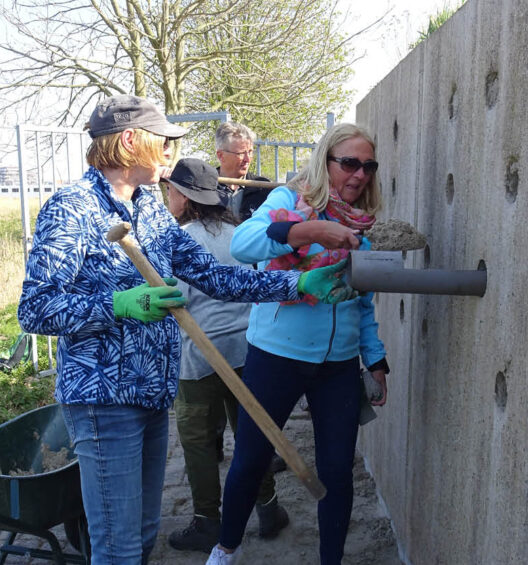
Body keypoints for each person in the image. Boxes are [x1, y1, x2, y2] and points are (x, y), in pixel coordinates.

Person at [17, 94, 358, 564]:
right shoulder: (71, 209)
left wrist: (297, 283)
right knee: (116, 547)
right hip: (103, 399)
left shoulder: (150, 210)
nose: (171, 154)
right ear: (131, 140)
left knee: (140, 536)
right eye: (165, 142)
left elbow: (217, 277)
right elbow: (35, 308)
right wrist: (119, 304)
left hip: (153, 395)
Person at [210, 123, 388, 565]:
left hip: (339, 365)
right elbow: (244, 244)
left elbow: (362, 300)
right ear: (325, 162)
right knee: (251, 460)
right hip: (276, 355)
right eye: (349, 163)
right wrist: (308, 231)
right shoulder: (289, 200)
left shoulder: (362, 227)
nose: (359, 174)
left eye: (368, 166)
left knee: (336, 473)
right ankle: (224, 550)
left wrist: (376, 358)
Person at [157, 158, 290, 552]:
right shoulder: (241, 234)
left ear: (182, 196)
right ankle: (268, 508)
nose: (167, 198)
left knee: (197, 441)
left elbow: (175, 300)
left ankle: (207, 521)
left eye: (170, 191)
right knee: (250, 434)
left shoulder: (180, 239)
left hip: (200, 357)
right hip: (248, 350)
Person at [213, 122, 272, 221]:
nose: (247, 159)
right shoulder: (205, 188)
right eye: (241, 153)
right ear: (221, 155)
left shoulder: (263, 189)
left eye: (250, 152)